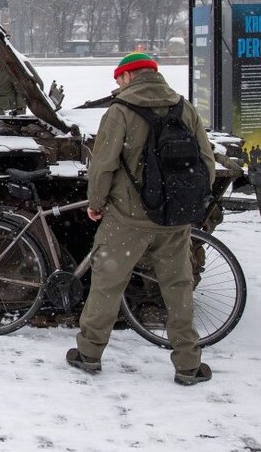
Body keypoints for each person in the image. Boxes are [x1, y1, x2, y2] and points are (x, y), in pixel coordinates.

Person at [67, 52, 216, 386]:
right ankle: (188, 365)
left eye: (119, 78)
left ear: (130, 76)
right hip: (174, 220)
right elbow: (206, 162)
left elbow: (103, 164)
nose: (117, 85)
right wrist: (186, 203)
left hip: (126, 219)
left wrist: (96, 202)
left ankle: (89, 354)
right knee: (179, 287)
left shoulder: (120, 112)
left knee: (107, 285)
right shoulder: (183, 107)